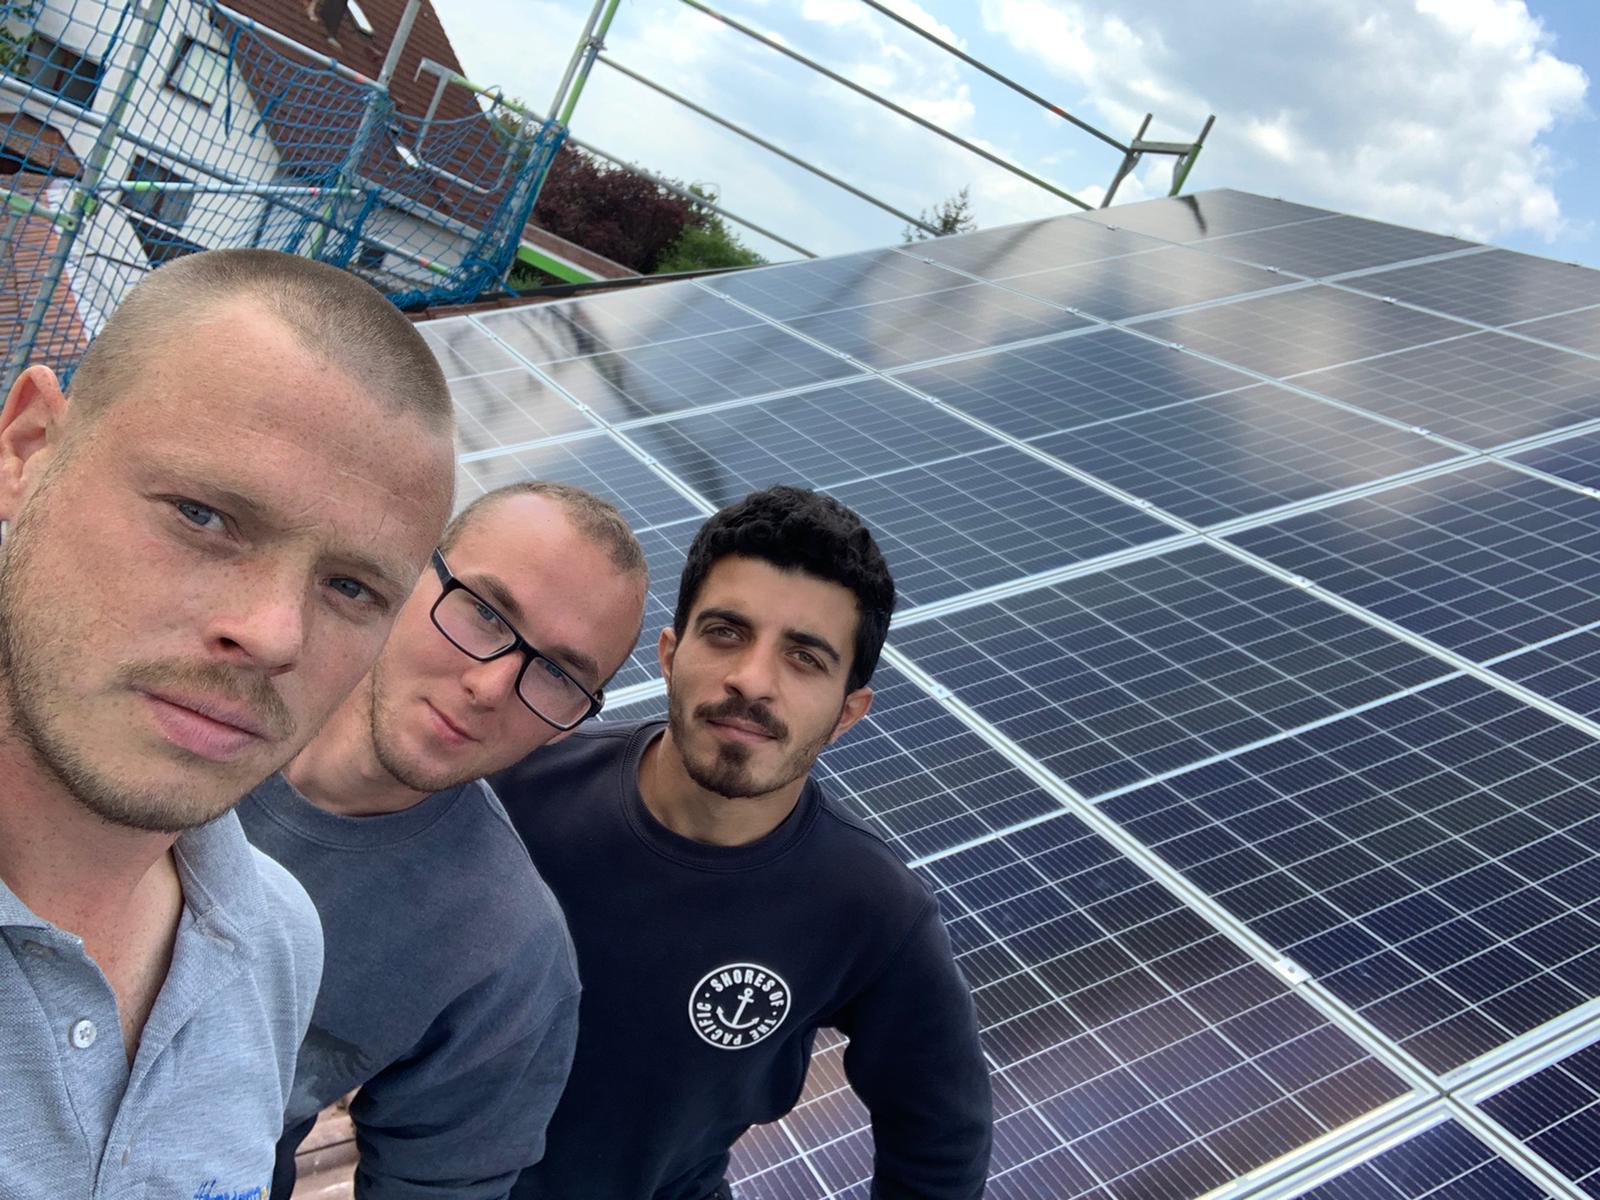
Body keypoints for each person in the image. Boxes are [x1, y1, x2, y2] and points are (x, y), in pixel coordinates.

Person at [0, 249, 457, 1197]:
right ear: (27, 448)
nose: (276, 633)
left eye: (351, 587)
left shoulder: (276, 939)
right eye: (203, 516)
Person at [491, 485, 993, 1200]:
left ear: (848, 713)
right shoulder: (517, 789)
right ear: (671, 653)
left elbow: (942, 1136)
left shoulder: (870, 907)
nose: (752, 680)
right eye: (726, 632)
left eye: (805, 658)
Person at [242, 481, 649, 1199]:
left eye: (557, 674)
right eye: (485, 612)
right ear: (409, 572)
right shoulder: (191, 683)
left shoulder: (506, 960)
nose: (491, 687)